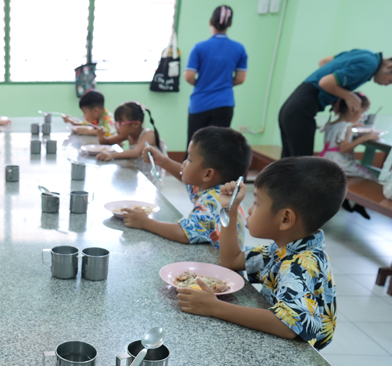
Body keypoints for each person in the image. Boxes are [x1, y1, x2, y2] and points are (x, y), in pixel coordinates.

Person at [178, 157, 345, 350]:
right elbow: (232, 260)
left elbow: (288, 326)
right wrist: (229, 210)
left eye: (256, 203)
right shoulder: (287, 247)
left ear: (285, 219)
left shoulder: (302, 263)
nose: (249, 209)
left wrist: (214, 307)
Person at [128, 126, 250, 250]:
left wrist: (145, 222)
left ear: (208, 174)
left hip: (216, 260)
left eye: (190, 159)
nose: (184, 163)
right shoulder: (219, 188)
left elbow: (184, 233)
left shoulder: (213, 201)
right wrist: (162, 160)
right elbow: (187, 177)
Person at [278, 50, 392, 158]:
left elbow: (324, 62)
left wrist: (333, 93)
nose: (387, 84)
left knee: (288, 161)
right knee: (302, 163)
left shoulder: (366, 54)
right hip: (302, 109)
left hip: (294, 104)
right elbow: (325, 82)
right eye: (391, 81)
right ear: (390, 67)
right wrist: (350, 96)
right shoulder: (369, 65)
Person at [184, 5, 248, 147]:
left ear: (210, 22)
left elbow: (189, 76)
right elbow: (240, 79)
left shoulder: (199, 48)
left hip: (200, 103)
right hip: (224, 104)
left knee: (194, 146)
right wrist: (224, 82)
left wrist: (202, 82)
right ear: (230, 24)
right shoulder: (239, 48)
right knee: (217, 149)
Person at [319, 92, 378, 218]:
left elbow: (336, 138)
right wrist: (364, 138)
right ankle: (359, 204)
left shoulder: (332, 123)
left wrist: (350, 128)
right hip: (339, 162)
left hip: (326, 158)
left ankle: (346, 200)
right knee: (370, 176)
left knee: (352, 176)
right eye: (363, 112)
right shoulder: (346, 127)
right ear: (353, 110)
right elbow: (343, 148)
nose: (363, 116)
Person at [95, 101, 165, 161]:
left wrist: (111, 155)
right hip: (136, 170)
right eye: (116, 123)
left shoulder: (149, 134)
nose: (116, 127)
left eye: (120, 124)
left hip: (151, 172)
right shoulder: (129, 135)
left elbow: (135, 153)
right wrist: (101, 136)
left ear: (136, 124)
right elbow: (107, 142)